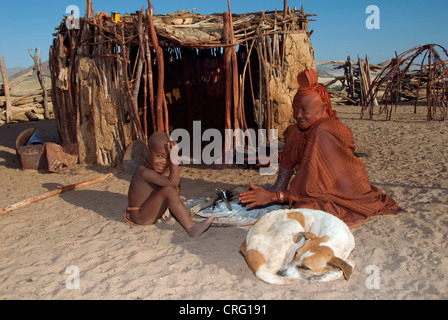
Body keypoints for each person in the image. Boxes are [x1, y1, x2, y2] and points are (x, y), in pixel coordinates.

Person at [239, 69, 403, 229]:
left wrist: (274, 197)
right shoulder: (303, 129)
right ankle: (279, 186)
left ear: (323, 109)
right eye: (295, 109)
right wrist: (274, 158)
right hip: (316, 184)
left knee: (306, 211)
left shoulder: (326, 132)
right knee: (294, 132)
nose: (298, 115)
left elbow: (314, 182)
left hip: (342, 191)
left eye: (304, 110)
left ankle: (280, 194)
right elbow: (300, 152)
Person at [125, 131, 214, 237]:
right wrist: (174, 159)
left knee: (171, 179)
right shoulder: (144, 171)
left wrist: (172, 163)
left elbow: (174, 184)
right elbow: (173, 184)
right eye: (159, 156)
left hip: (149, 210)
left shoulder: (157, 169)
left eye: (168, 158)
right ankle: (191, 227)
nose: (163, 161)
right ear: (147, 151)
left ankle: (180, 216)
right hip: (140, 216)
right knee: (169, 189)